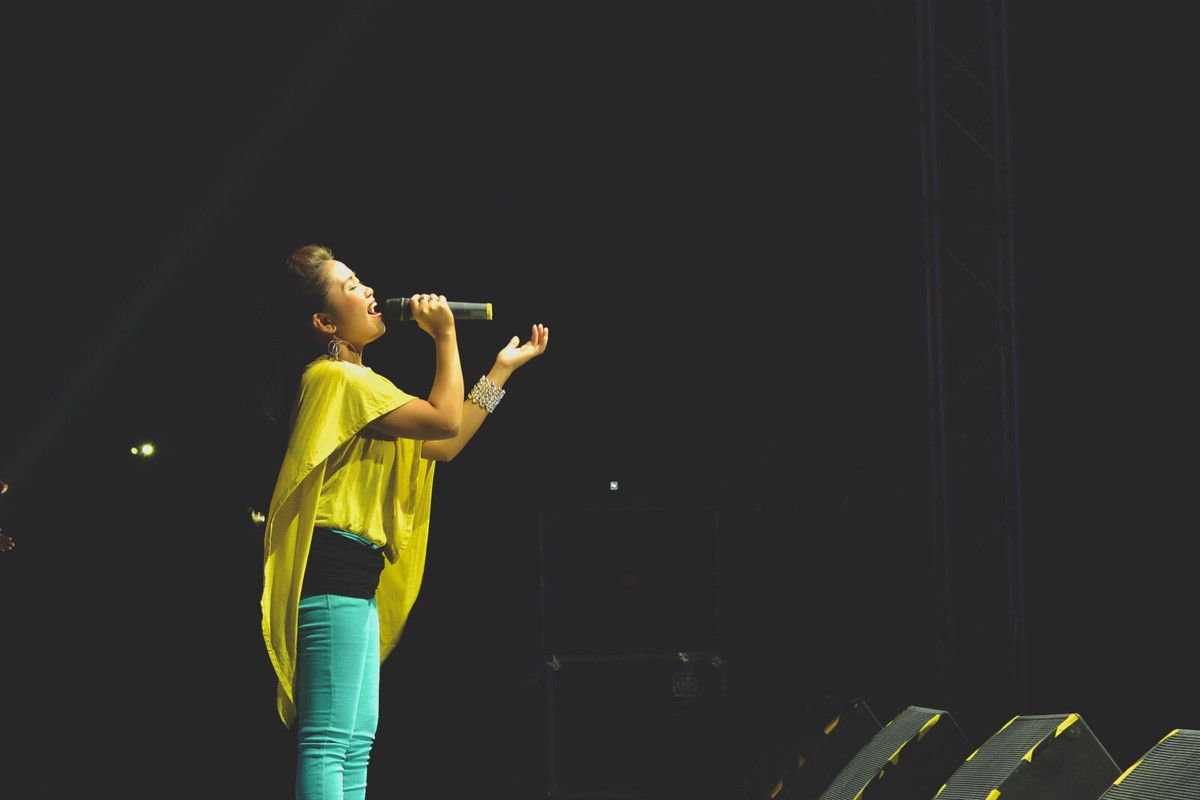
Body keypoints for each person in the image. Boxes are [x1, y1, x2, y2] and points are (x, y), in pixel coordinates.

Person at [259, 243, 549, 799]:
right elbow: (443, 419)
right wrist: (444, 335)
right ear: (323, 321)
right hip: (332, 571)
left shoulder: (367, 387)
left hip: (356, 575)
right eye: (349, 286)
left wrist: (499, 372)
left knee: (356, 741)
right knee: (327, 741)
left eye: (361, 279)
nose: (368, 291)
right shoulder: (335, 381)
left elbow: (445, 443)